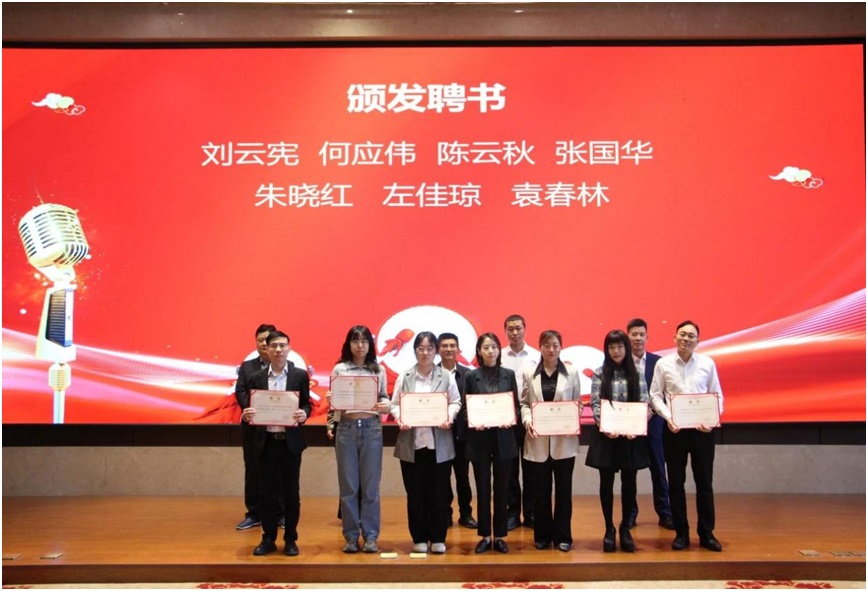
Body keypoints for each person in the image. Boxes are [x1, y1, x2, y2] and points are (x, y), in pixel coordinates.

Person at [650, 320, 724, 552]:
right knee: (676, 483)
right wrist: (668, 417)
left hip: (702, 431)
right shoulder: (663, 364)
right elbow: (655, 395)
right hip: (675, 430)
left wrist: (712, 420)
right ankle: (681, 533)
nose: (686, 339)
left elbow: (717, 394)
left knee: (704, 483)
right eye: (682, 334)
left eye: (691, 336)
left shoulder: (707, 363)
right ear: (675, 337)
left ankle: (707, 533)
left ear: (698, 341)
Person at [390, 331, 461, 555]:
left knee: (439, 493)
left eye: (430, 348)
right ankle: (419, 537)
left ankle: (438, 537)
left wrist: (449, 416)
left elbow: (456, 401)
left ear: (436, 351)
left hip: (439, 445)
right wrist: (400, 417)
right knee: (415, 494)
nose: (425, 353)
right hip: (412, 445)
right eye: (420, 348)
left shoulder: (446, 376)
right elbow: (394, 404)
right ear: (415, 351)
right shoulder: (405, 376)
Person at [241, 330, 311, 557]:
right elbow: (250, 408)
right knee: (266, 493)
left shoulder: (300, 375)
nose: (278, 350)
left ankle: (291, 539)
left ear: (289, 348)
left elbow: (307, 403)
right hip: (266, 442)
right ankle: (268, 538)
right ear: (267, 349)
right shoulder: (256, 378)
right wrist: (248, 414)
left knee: (291, 493)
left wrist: (304, 414)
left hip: (290, 443)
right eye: (274, 346)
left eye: (282, 345)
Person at [328, 325, 391, 554]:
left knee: (371, 488)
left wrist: (385, 405)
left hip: (372, 429)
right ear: (349, 344)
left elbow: (384, 397)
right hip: (346, 428)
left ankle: (371, 536)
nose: (360, 345)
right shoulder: (340, 369)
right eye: (355, 341)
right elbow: (333, 404)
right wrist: (332, 408)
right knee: (349, 488)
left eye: (364, 341)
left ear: (370, 345)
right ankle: (351, 537)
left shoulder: (378, 369)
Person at [585, 329, 650, 553]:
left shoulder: (637, 373)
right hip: (607, 437)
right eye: (611, 347)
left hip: (631, 438)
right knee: (606, 484)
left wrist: (636, 427)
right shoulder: (600, 373)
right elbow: (595, 404)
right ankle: (609, 529)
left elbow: (644, 402)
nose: (616, 351)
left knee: (629, 485)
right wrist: (605, 426)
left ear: (626, 348)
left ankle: (625, 529)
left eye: (620, 346)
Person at [519, 330, 582, 552]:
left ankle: (563, 536)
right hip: (537, 440)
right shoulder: (530, 372)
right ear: (540, 347)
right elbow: (524, 403)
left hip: (564, 442)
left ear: (561, 347)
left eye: (555, 345)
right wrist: (528, 421)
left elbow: (577, 404)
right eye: (547, 345)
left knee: (564, 491)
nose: (551, 349)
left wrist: (571, 420)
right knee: (540, 492)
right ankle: (542, 535)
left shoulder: (572, 372)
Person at [464, 332, 520, 554]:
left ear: (499, 350)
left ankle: (500, 536)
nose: (490, 351)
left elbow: (515, 405)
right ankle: (485, 535)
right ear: (479, 351)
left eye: (494, 347)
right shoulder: (471, 376)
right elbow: (466, 408)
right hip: (480, 440)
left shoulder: (508, 374)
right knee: (483, 488)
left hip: (504, 440)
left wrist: (511, 419)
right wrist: (472, 421)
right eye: (486, 347)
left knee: (502, 489)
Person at [626, 318, 674, 530]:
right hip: (629, 424)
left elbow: (664, 392)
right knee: (630, 472)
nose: (638, 338)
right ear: (628, 337)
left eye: (641, 334)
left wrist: (652, 410)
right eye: (634, 334)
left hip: (654, 423)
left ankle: (665, 513)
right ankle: (630, 514)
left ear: (647, 337)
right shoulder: (621, 361)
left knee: (658, 469)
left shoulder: (659, 362)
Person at [233, 323, 278, 531]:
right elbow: (240, 391)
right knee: (253, 469)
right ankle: (254, 513)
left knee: (279, 471)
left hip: (278, 427)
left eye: (267, 340)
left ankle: (280, 514)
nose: (264, 344)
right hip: (252, 428)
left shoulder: (285, 366)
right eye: (260, 340)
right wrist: (251, 409)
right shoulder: (247, 367)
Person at [500, 314, 540, 530]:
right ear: (505, 331)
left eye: (518, 328)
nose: (514, 333)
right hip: (506, 418)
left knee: (531, 467)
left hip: (530, 417)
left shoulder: (536, 355)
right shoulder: (499, 355)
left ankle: (531, 513)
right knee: (510, 468)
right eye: (510, 329)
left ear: (525, 329)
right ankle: (512, 513)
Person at [437, 332, 477, 530]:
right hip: (439, 435)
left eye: (453, 345)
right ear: (438, 349)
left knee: (463, 477)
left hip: (463, 435)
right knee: (442, 478)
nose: (449, 349)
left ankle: (466, 514)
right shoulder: (432, 373)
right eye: (444, 346)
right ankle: (445, 514)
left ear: (458, 349)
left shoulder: (469, 374)